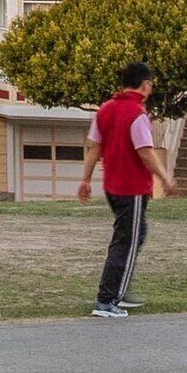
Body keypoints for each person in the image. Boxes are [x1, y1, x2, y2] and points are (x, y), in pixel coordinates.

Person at [75, 60, 172, 317]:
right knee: (126, 242)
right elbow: (145, 153)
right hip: (132, 188)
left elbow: (94, 147)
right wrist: (164, 177)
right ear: (144, 85)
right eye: (150, 84)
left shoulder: (105, 110)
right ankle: (107, 300)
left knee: (134, 234)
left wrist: (85, 180)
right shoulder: (137, 114)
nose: (151, 88)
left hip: (112, 187)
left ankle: (119, 287)